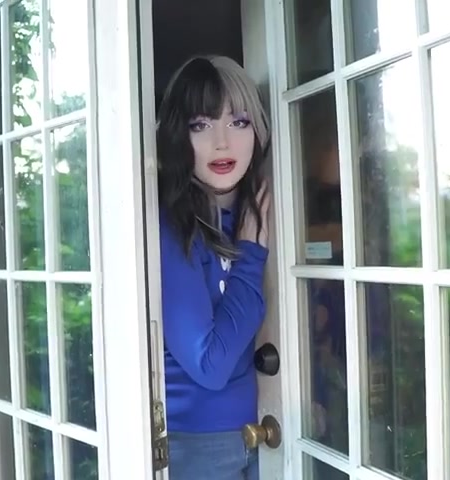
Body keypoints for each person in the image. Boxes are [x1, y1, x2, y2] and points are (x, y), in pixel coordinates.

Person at [156, 54, 272, 480]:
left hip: (265, 433)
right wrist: (250, 255)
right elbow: (210, 364)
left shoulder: (258, 210)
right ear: (177, 135)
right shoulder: (170, 225)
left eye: (238, 122)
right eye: (200, 125)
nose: (222, 143)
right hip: (195, 449)